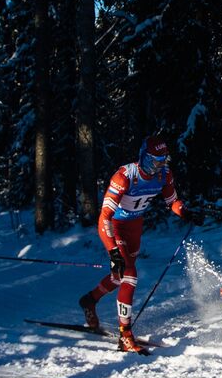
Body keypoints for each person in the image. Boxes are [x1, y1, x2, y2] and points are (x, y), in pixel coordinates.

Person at [80, 136, 203, 352]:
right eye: (153, 161)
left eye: (162, 161)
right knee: (129, 275)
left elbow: (172, 201)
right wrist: (113, 252)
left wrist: (185, 212)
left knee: (120, 276)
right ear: (143, 157)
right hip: (115, 226)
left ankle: (90, 299)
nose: (157, 166)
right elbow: (104, 217)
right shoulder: (125, 176)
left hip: (135, 226)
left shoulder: (164, 174)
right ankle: (125, 334)